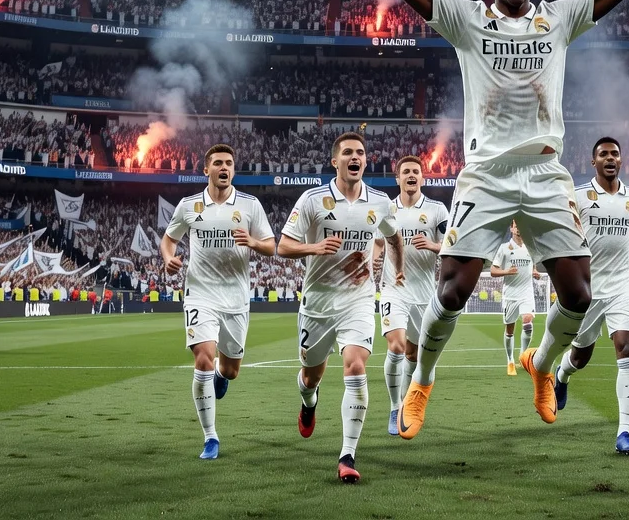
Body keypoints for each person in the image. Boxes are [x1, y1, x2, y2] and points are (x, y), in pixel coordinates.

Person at [298, 0, 629, 438]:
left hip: (545, 172)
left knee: (576, 292)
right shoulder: (467, 19)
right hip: (486, 174)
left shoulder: (561, 18)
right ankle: (421, 381)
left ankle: (543, 366)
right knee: (453, 288)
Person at [277, 131, 403, 483]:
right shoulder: (313, 200)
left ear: (365, 161)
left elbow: (393, 236)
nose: (355, 157)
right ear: (335, 161)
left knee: (356, 365)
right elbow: (283, 247)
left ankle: (347, 454)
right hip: (317, 302)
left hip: (358, 299)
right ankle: (308, 401)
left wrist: (399, 265)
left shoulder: (379, 202)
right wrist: (315, 248)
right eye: (348, 152)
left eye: (360, 152)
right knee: (311, 376)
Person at [162, 143, 276, 461]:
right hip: (201, 293)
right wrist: (169, 258)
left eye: (229, 163)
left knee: (231, 370)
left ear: (233, 170)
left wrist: (252, 241)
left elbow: (271, 245)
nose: (224, 168)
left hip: (236, 298)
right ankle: (210, 437)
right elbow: (169, 238)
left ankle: (222, 377)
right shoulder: (189, 205)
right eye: (218, 163)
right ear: (206, 169)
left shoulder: (250, 206)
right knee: (203, 359)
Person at [554, 138, 629, 455]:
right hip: (588, 286)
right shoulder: (578, 196)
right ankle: (562, 374)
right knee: (581, 356)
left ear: (622, 160)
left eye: (615, 153)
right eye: (603, 154)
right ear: (592, 162)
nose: (610, 157)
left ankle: (624, 432)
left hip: (622, 283)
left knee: (626, 344)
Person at [379, 155, 449, 437]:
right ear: (398, 178)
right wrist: (373, 261)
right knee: (396, 347)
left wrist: (433, 245)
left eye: (415, 172)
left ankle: (408, 401)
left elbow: (450, 244)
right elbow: (376, 241)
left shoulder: (437, 210)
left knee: (413, 353)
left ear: (422, 178)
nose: (411, 175)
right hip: (393, 289)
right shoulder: (386, 208)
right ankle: (395, 406)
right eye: (405, 171)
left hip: (424, 294)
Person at [489, 223, 537, 376]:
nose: (518, 229)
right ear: (511, 229)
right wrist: (506, 271)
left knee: (528, 322)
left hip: (526, 293)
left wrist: (535, 272)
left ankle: (523, 356)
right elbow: (493, 271)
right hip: (510, 294)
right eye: (516, 226)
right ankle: (510, 360)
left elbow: (533, 265)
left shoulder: (531, 247)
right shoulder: (504, 248)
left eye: (520, 225)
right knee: (510, 330)